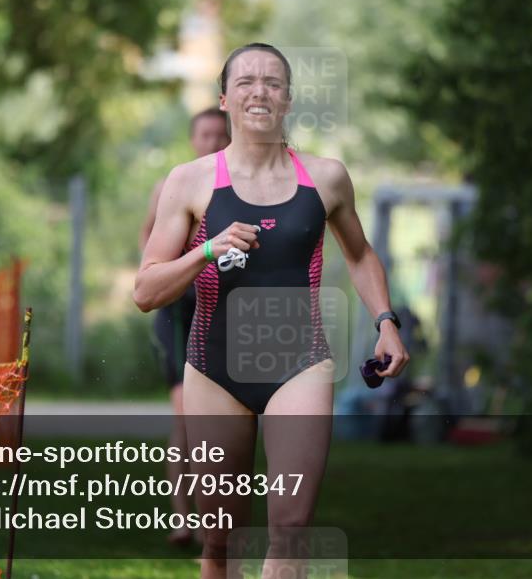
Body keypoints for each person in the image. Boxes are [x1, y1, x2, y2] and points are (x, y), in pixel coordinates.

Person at [134, 43, 409, 578]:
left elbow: (359, 254)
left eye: (272, 82)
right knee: (220, 542)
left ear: (288, 99)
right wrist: (206, 249)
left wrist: (386, 322)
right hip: (213, 371)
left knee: (291, 527)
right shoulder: (189, 180)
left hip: (299, 364)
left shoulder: (326, 178)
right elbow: (145, 291)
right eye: (245, 81)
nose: (259, 91)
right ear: (224, 99)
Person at [138, 107, 230, 547]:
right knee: (185, 415)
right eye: (204, 134)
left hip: (222, 308)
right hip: (177, 309)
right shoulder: (172, 185)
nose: (211, 142)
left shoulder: (239, 187)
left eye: (219, 135)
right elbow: (147, 240)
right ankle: (183, 516)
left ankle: (216, 517)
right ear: (193, 139)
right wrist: (169, 271)